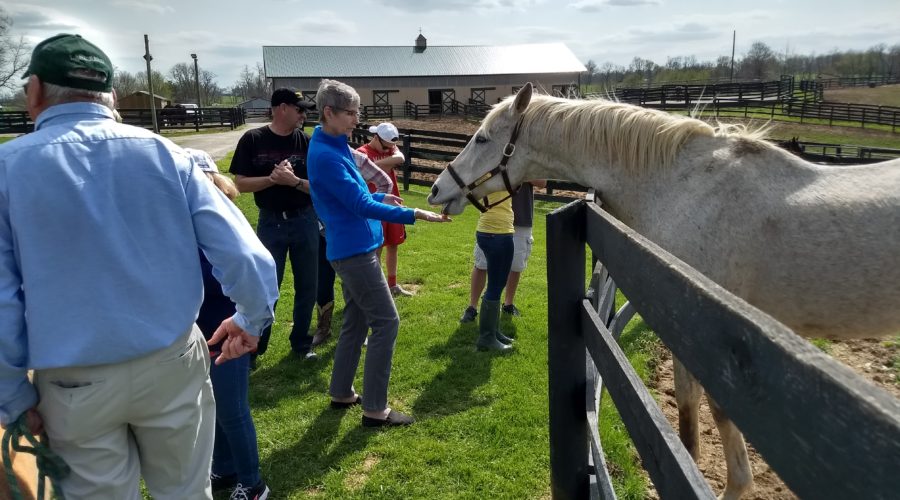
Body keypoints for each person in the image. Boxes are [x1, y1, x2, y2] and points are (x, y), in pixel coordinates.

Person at [0, 34, 277, 499]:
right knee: (188, 492)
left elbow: (4, 300)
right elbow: (245, 254)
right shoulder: (168, 155)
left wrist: (12, 396)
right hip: (170, 360)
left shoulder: (9, 168)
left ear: (34, 91)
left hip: (73, 378)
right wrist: (251, 319)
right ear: (110, 96)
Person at [306, 79, 449, 427]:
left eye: (358, 112)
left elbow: (356, 193)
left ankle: (341, 392)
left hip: (356, 246)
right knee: (386, 322)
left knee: (355, 321)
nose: (357, 119)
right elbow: (357, 203)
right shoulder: (325, 154)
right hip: (353, 252)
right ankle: (375, 408)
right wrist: (414, 213)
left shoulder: (335, 144)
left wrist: (381, 197)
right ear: (329, 112)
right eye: (351, 113)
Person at [186, 149, 269, 500]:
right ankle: (224, 465)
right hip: (199, 332)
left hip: (228, 329)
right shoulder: (184, 225)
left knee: (232, 409)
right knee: (212, 404)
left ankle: (252, 483)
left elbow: (251, 273)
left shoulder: (225, 225)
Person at [230, 88, 318, 363]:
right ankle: (257, 346)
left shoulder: (306, 141)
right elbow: (240, 184)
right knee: (267, 287)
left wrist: (292, 182)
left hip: (305, 220)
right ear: (281, 108)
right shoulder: (253, 139)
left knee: (307, 286)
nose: (304, 114)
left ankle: (302, 344)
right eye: (299, 109)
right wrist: (272, 179)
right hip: (271, 223)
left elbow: (319, 188)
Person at [312, 150, 393, 347]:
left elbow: (384, 181)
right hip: (318, 227)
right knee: (323, 279)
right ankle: (325, 326)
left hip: (347, 235)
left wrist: (369, 211)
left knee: (354, 284)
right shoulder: (316, 152)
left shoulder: (351, 155)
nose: (354, 122)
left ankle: (358, 329)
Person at [461, 180, 546, 323]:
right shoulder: (495, 156)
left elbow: (542, 182)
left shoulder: (530, 158)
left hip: (521, 218)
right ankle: (472, 307)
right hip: (494, 218)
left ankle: (508, 304)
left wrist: (521, 171)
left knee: (516, 265)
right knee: (482, 264)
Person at [357, 122, 412, 297]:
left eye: (392, 146)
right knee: (377, 247)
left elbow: (400, 158)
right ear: (376, 138)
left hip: (392, 202)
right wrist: (383, 163)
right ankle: (378, 288)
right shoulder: (361, 153)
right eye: (386, 146)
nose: (389, 149)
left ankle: (393, 285)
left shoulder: (389, 148)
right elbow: (363, 171)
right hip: (374, 205)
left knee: (394, 244)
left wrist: (374, 164)